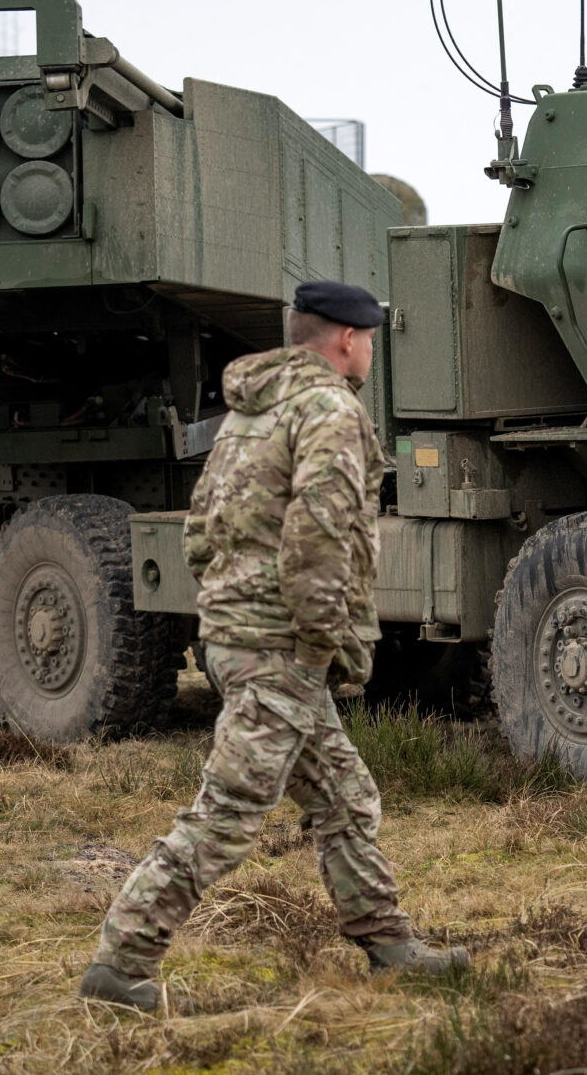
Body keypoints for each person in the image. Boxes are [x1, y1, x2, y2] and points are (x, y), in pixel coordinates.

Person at [80, 280, 468, 1013]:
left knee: (345, 797)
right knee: (228, 813)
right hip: (280, 647)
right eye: (371, 339)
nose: (372, 351)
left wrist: (235, 610)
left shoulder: (249, 413)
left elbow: (201, 529)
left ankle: (389, 942)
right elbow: (320, 535)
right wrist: (324, 643)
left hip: (239, 634)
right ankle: (121, 959)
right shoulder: (328, 410)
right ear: (347, 341)